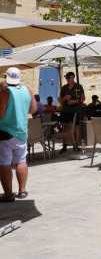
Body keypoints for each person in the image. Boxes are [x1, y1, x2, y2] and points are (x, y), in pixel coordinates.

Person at [0, 67, 36, 202]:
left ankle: (8, 194)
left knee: (4, 163)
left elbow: (1, 113)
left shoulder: (5, 92)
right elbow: (33, 109)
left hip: (5, 132)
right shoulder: (28, 90)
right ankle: (22, 190)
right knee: (21, 160)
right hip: (21, 131)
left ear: (6, 77)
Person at [59, 71, 85, 153]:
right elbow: (60, 100)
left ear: (72, 77)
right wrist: (65, 98)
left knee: (76, 128)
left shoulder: (79, 87)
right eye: (66, 78)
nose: (66, 79)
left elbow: (83, 98)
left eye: (67, 78)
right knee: (64, 128)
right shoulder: (64, 88)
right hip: (65, 110)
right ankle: (64, 146)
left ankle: (76, 145)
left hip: (76, 110)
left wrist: (74, 101)